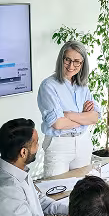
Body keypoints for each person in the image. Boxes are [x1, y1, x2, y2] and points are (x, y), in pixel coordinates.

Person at [37, 40, 100, 177]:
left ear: (82, 64)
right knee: (56, 191)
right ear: (61, 59)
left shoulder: (83, 86)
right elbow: (58, 123)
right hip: (59, 144)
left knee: (83, 191)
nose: (71, 65)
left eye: (77, 61)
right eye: (68, 60)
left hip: (83, 141)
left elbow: (95, 117)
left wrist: (68, 114)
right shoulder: (48, 86)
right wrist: (84, 117)